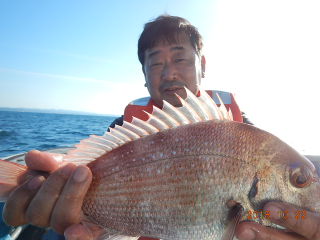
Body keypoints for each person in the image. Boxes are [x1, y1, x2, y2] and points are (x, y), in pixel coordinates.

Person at [3, 15, 320, 240]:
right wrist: (55, 191)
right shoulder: (124, 130)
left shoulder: (247, 136)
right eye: (155, 62)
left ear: (202, 65)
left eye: (180, 58)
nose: (168, 72)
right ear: (144, 74)